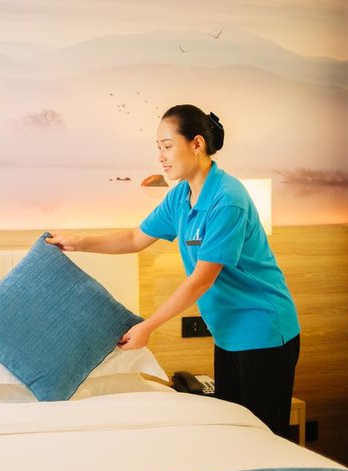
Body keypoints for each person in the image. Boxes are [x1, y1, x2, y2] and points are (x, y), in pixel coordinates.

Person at [46, 104, 300, 437]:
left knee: (264, 438)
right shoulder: (181, 195)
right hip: (227, 333)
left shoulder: (228, 199)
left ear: (197, 144)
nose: (161, 157)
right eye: (158, 148)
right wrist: (78, 242)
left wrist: (148, 326)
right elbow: (135, 238)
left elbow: (202, 280)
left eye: (167, 146)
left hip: (262, 329)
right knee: (236, 434)